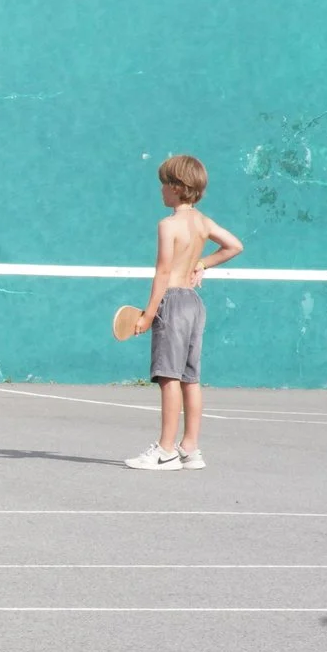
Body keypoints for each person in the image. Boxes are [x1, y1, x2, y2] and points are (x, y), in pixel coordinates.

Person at [125, 153, 242, 470]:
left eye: (164, 184)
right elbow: (234, 245)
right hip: (194, 304)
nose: (161, 190)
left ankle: (166, 450)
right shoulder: (203, 222)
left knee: (169, 377)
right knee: (190, 378)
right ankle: (190, 448)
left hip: (173, 303)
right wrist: (202, 263)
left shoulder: (168, 225)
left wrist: (149, 314)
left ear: (176, 187)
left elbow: (163, 272)